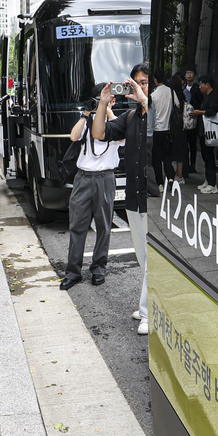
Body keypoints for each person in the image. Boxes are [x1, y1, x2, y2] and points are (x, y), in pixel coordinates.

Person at [94, 66, 153, 333]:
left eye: (145, 83)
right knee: (142, 256)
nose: (140, 87)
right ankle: (150, 304)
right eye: (136, 83)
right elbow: (99, 133)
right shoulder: (130, 117)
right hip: (134, 196)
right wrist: (103, 103)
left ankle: (148, 313)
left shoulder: (159, 114)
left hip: (155, 198)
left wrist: (145, 102)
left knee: (153, 258)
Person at [61, 86, 121, 290]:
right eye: (97, 100)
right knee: (77, 225)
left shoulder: (116, 122)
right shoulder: (86, 121)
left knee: (104, 226)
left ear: (112, 101)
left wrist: (107, 110)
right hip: (83, 178)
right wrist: (87, 114)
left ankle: (98, 268)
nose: (100, 104)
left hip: (105, 177)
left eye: (105, 100)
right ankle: (72, 272)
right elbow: (73, 137)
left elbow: (121, 138)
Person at [190, 75, 218, 194]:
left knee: (209, 157)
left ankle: (213, 183)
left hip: (209, 131)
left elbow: (213, 111)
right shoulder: (207, 97)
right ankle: (208, 180)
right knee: (205, 156)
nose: (200, 87)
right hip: (204, 131)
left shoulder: (214, 97)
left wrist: (200, 112)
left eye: (202, 84)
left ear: (208, 85)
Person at [181, 67, 202, 177]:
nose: (189, 75)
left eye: (191, 72)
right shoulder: (183, 88)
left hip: (193, 119)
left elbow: (199, 102)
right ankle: (185, 165)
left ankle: (192, 164)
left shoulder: (197, 88)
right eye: (187, 72)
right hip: (184, 120)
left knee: (192, 144)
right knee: (185, 144)